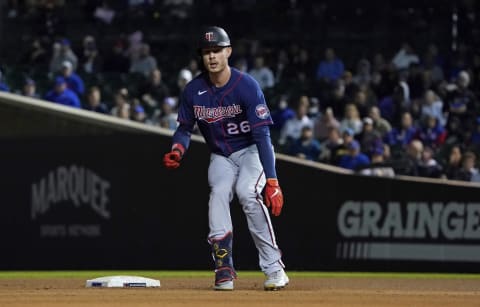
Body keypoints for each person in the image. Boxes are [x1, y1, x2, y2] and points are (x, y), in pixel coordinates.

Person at [162, 26, 288, 291]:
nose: (212, 56)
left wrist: (273, 180)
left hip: (251, 150)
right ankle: (224, 268)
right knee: (218, 194)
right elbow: (184, 128)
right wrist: (178, 149)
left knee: (247, 193)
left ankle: (274, 268)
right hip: (221, 156)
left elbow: (263, 135)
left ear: (228, 52)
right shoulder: (193, 90)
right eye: (207, 52)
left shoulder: (247, 86)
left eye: (217, 50)